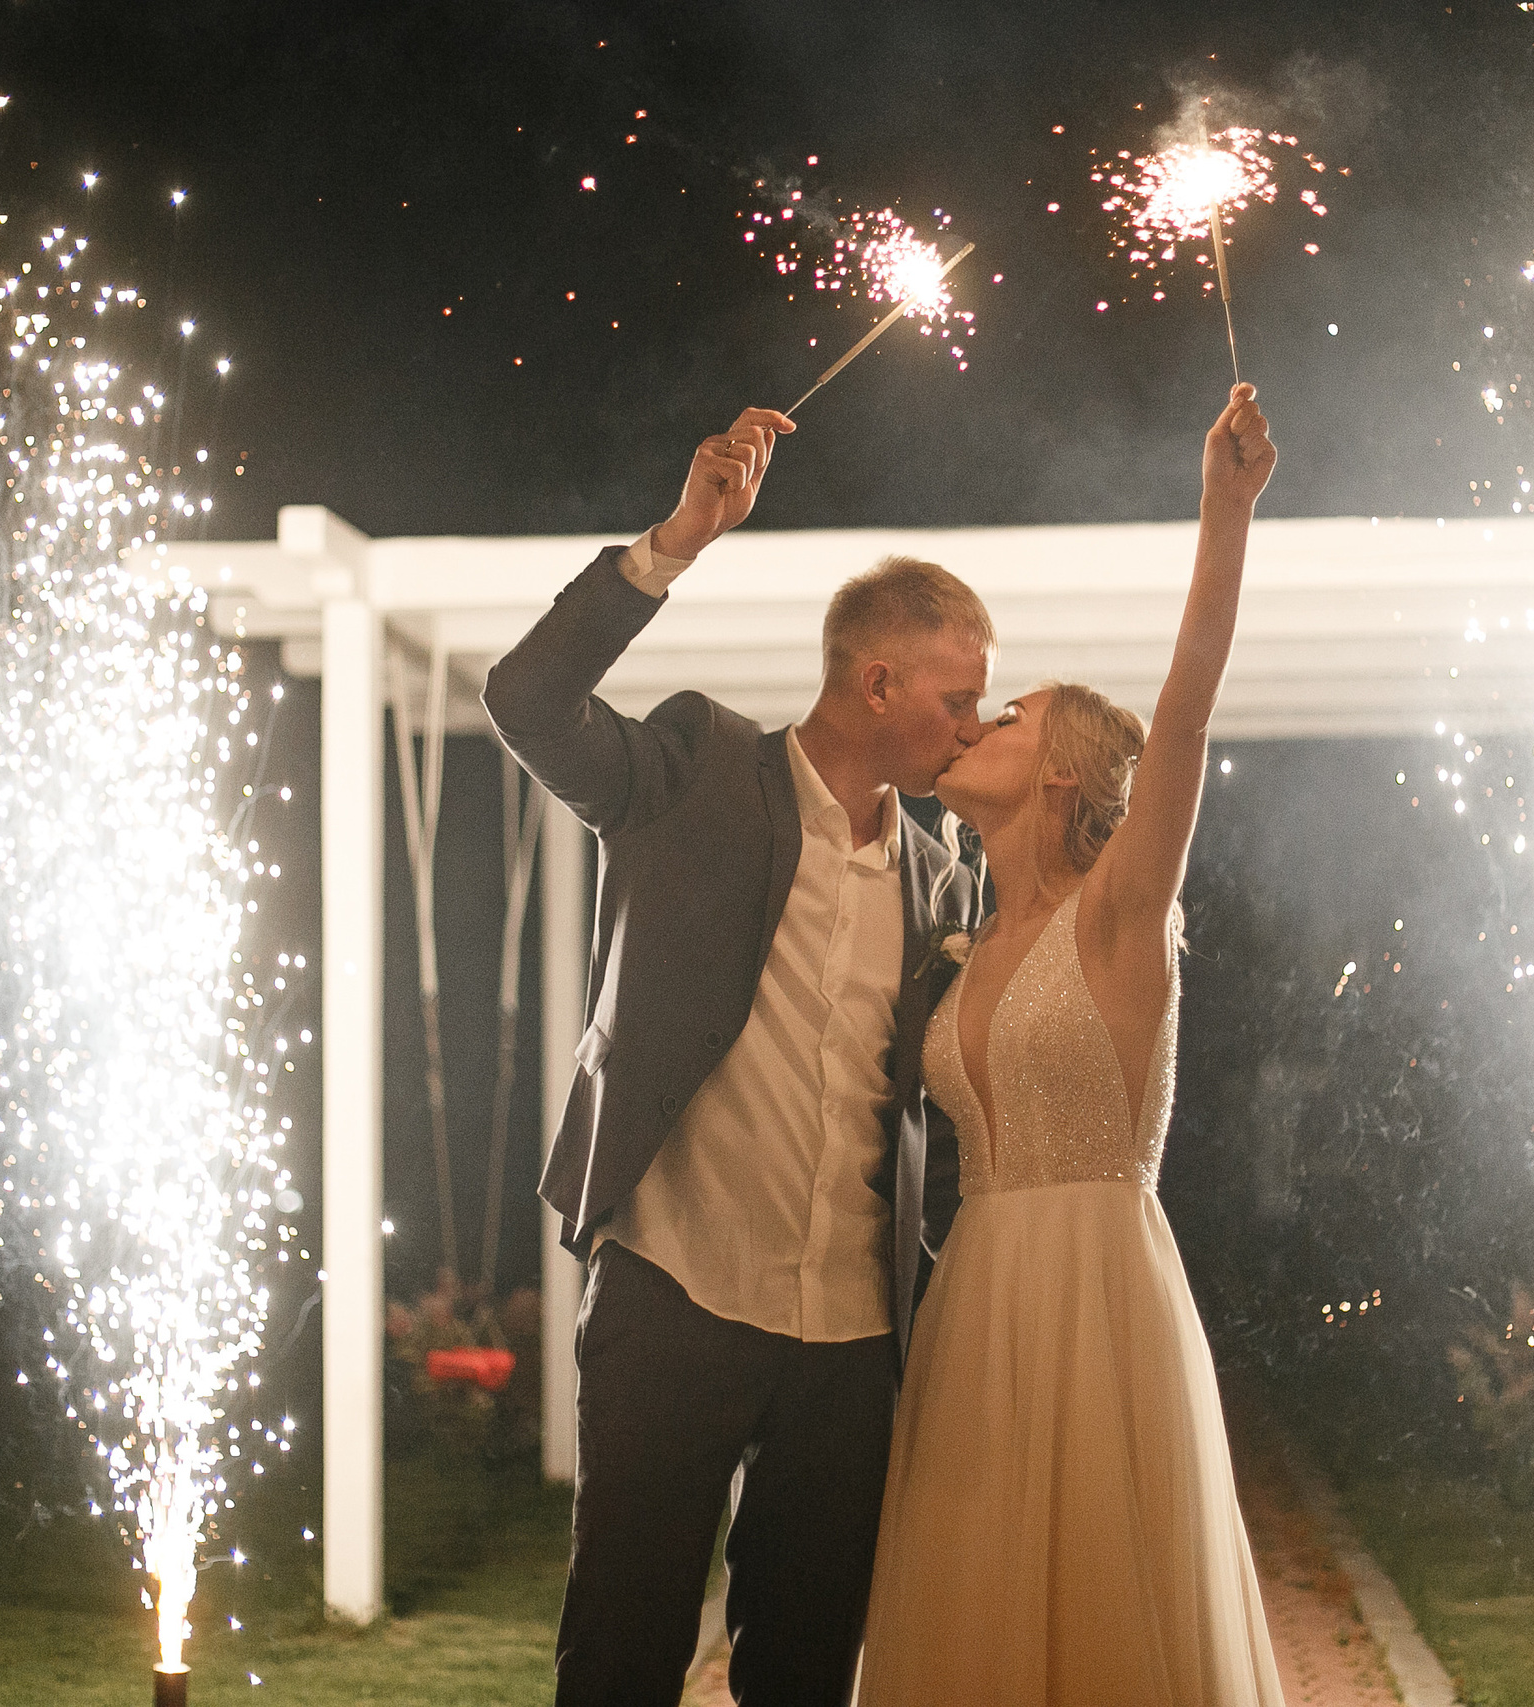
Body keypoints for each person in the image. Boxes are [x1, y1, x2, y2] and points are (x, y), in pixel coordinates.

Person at [483, 406, 994, 1707]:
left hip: (850, 1344)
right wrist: (672, 544)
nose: (969, 728)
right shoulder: (696, 772)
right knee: (622, 1658)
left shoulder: (945, 881)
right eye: (955, 697)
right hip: (671, 1297)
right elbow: (526, 698)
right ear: (875, 684)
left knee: (811, 1674)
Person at [856, 383, 1288, 1707]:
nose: (978, 724)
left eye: (1012, 715)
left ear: (1062, 773)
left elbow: (1191, 704)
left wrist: (1225, 512)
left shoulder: (1118, 915)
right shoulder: (958, 933)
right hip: (975, 1301)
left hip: (1101, 1298)